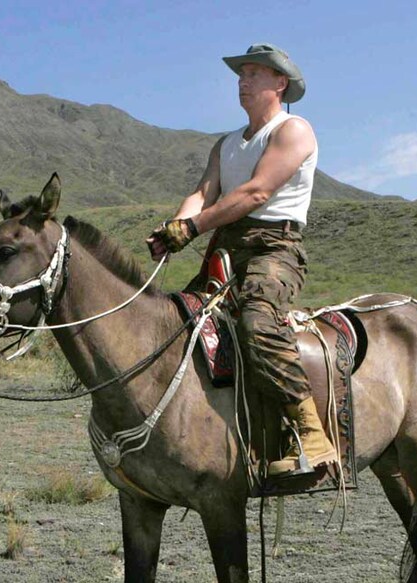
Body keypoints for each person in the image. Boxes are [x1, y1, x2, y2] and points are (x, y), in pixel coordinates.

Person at [146, 43, 335, 478]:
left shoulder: (294, 130)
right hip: (226, 249)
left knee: (257, 324)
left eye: (254, 74)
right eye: (241, 74)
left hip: (274, 247)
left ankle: (313, 436)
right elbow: (203, 193)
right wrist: (175, 226)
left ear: (280, 83)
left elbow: (256, 193)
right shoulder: (227, 143)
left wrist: (193, 229)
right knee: (175, 324)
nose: (242, 81)